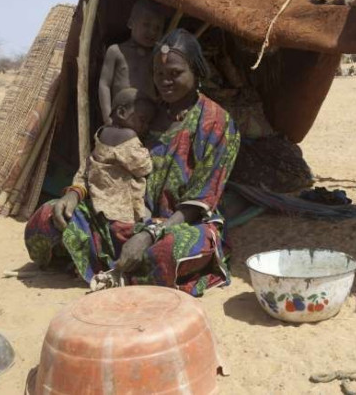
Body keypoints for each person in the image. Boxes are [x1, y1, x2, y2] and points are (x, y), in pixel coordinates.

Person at [25, 28, 240, 297]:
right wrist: (75, 193)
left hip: (178, 224)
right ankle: (122, 267)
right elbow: (103, 159)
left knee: (169, 251)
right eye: (159, 74)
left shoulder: (217, 123)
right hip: (122, 217)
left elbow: (201, 201)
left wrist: (149, 235)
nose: (165, 81)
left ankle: (109, 265)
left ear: (195, 71)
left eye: (175, 73)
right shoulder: (144, 112)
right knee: (46, 218)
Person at [83, 88, 155, 224]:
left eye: (148, 123)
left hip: (98, 196)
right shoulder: (129, 136)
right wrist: (148, 152)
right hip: (120, 202)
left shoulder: (102, 132)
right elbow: (143, 167)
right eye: (142, 120)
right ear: (122, 113)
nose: (146, 127)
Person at [98, 0, 166, 125]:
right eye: (146, 24)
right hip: (121, 116)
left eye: (158, 28)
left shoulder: (155, 56)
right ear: (130, 23)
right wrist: (107, 116)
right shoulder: (116, 51)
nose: (152, 32)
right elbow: (104, 84)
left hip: (148, 119)